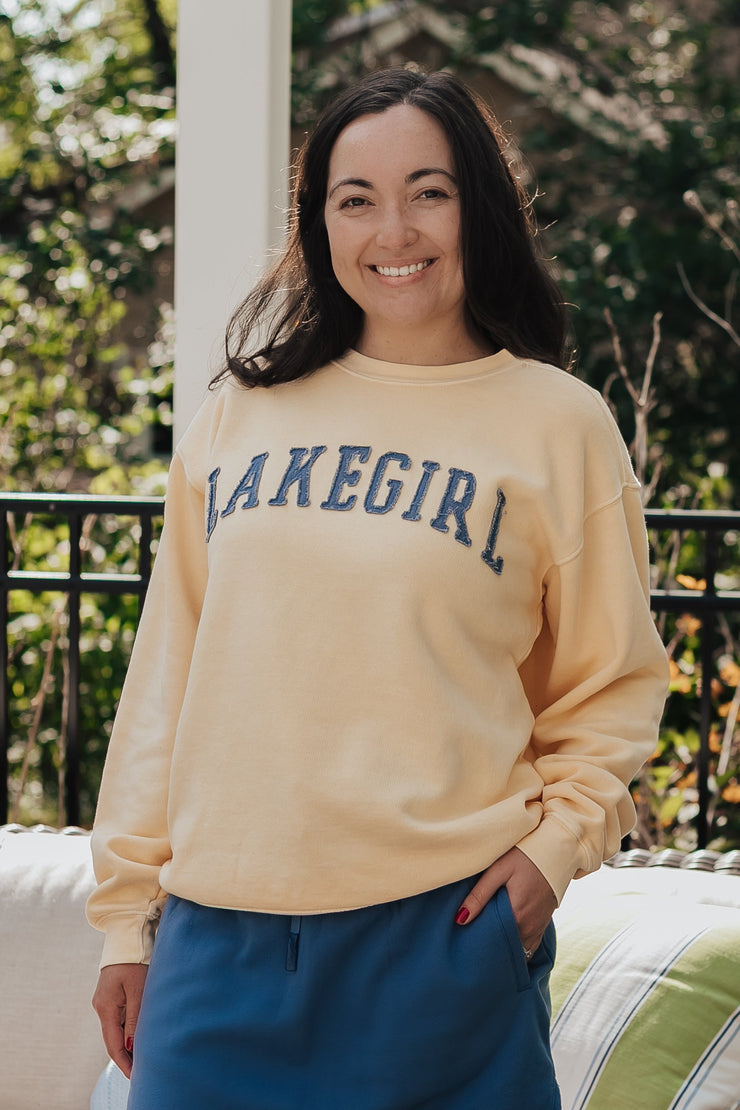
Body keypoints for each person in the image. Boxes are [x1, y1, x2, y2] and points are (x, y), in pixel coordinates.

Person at [87, 67, 669, 1110]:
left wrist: (548, 857)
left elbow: (611, 686)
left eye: (427, 191)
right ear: (318, 224)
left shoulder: (556, 425)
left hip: (440, 938)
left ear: (475, 206)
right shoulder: (238, 418)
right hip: (213, 950)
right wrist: (126, 917)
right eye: (354, 199)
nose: (391, 229)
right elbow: (165, 681)